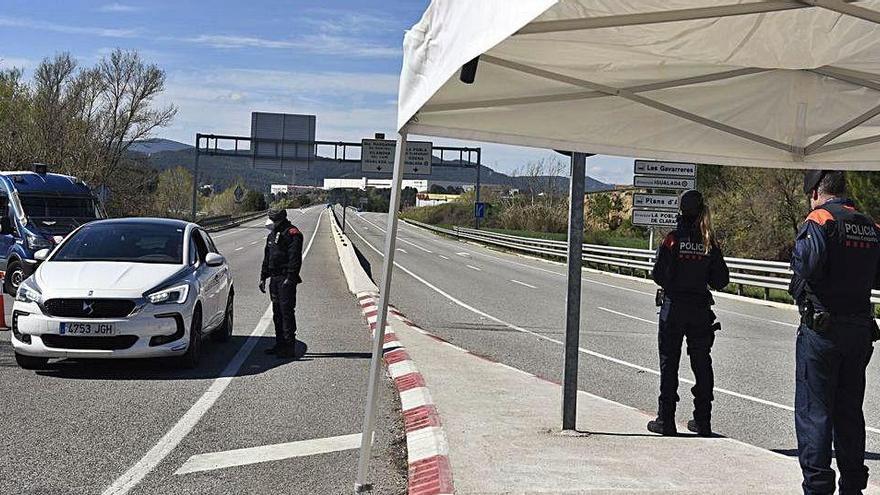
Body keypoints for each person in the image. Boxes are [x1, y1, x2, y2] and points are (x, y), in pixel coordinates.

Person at [790, 170, 880, 495]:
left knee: (815, 413)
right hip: (859, 332)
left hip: (822, 332)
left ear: (815, 191)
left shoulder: (821, 219)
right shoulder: (870, 226)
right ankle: (853, 487)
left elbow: (807, 268)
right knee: (849, 413)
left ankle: (817, 488)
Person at [648, 189, 729, 437]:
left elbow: (658, 275)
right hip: (700, 311)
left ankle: (666, 420)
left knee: (669, 364)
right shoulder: (709, 242)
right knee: (702, 364)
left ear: (681, 211)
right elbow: (721, 280)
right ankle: (703, 421)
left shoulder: (672, 239)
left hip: (674, 309)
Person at [259, 208, 304, 358]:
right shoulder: (272, 234)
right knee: (277, 313)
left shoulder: (292, 233)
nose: (270, 220)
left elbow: (295, 259)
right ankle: (280, 344)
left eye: (273, 218)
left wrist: (290, 278)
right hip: (274, 278)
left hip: (285, 278)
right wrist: (263, 277)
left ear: (280, 218)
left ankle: (289, 346)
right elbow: (268, 257)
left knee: (286, 312)